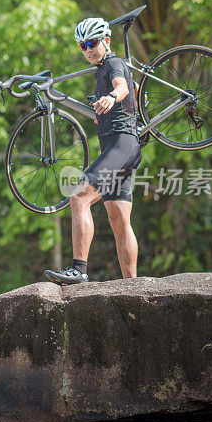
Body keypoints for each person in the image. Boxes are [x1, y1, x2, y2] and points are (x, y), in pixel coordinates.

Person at [44, 17, 142, 285]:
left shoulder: (112, 63)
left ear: (106, 41)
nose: (87, 49)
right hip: (122, 147)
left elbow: (122, 87)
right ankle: (132, 286)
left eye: (92, 43)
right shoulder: (101, 70)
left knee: (78, 198)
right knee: (119, 220)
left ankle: (79, 269)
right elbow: (126, 96)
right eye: (82, 45)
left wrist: (112, 96)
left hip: (121, 146)